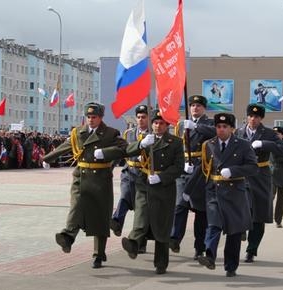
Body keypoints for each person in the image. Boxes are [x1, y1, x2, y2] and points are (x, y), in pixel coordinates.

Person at [43, 102, 127, 269]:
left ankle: (99, 254)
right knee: (76, 207)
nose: (90, 120)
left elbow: (124, 149)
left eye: (94, 117)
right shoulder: (78, 132)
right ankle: (67, 237)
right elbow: (65, 147)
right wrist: (47, 158)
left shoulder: (110, 133)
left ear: (101, 117)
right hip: (80, 177)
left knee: (100, 218)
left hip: (101, 180)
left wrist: (105, 153)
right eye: (88, 117)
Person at [121, 109, 184, 274]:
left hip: (164, 189)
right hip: (144, 185)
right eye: (155, 123)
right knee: (141, 217)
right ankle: (133, 244)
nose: (157, 126)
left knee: (161, 227)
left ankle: (161, 263)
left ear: (167, 125)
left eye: (161, 123)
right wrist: (140, 145)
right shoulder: (145, 139)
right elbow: (127, 151)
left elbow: (178, 167)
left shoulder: (175, 142)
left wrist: (162, 177)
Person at [197, 113, 257, 277]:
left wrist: (233, 171)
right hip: (214, 190)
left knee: (234, 231)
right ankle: (210, 256)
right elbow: (204, 169)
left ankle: (231, 266)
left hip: (235, 192)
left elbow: (253, 167)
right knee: (213, 225)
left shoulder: (243, 145)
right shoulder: (208, 144)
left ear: (232, 128)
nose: (221, 130)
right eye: (218, 127)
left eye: (225, 127)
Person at [235, 104, 283, 263]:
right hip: (241, 176)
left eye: (257, 117)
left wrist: (264, 144)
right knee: (241, 209)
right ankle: (242, 229)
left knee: (258, 214)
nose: (253, 119)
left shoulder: (269, 133)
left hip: (260, 175)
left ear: (261, 118)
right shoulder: (238, 132)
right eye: (250, 116)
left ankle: (252, 249)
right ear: (247, 117)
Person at [170, 95, 215, 260]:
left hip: (201, 169)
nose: (195, 108)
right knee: (180, 204)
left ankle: (199, 247)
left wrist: (196, 126)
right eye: (192, 105)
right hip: (184, 167)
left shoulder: (209, 123)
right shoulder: (181, 125)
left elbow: (214, 133)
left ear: (204, 108)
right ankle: (175, 238)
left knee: (200, 211)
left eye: (198, 105)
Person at [110, 105, 149, 253]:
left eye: (144, 117)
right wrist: (110, 168)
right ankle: (117, 222)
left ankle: (141, 242)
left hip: (144, 174)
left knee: (142, 209)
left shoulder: (152, 135)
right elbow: (120, 152)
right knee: (125, 196)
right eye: (138, 117)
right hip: (129, 171)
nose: (140, 120)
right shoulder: (129, 133)